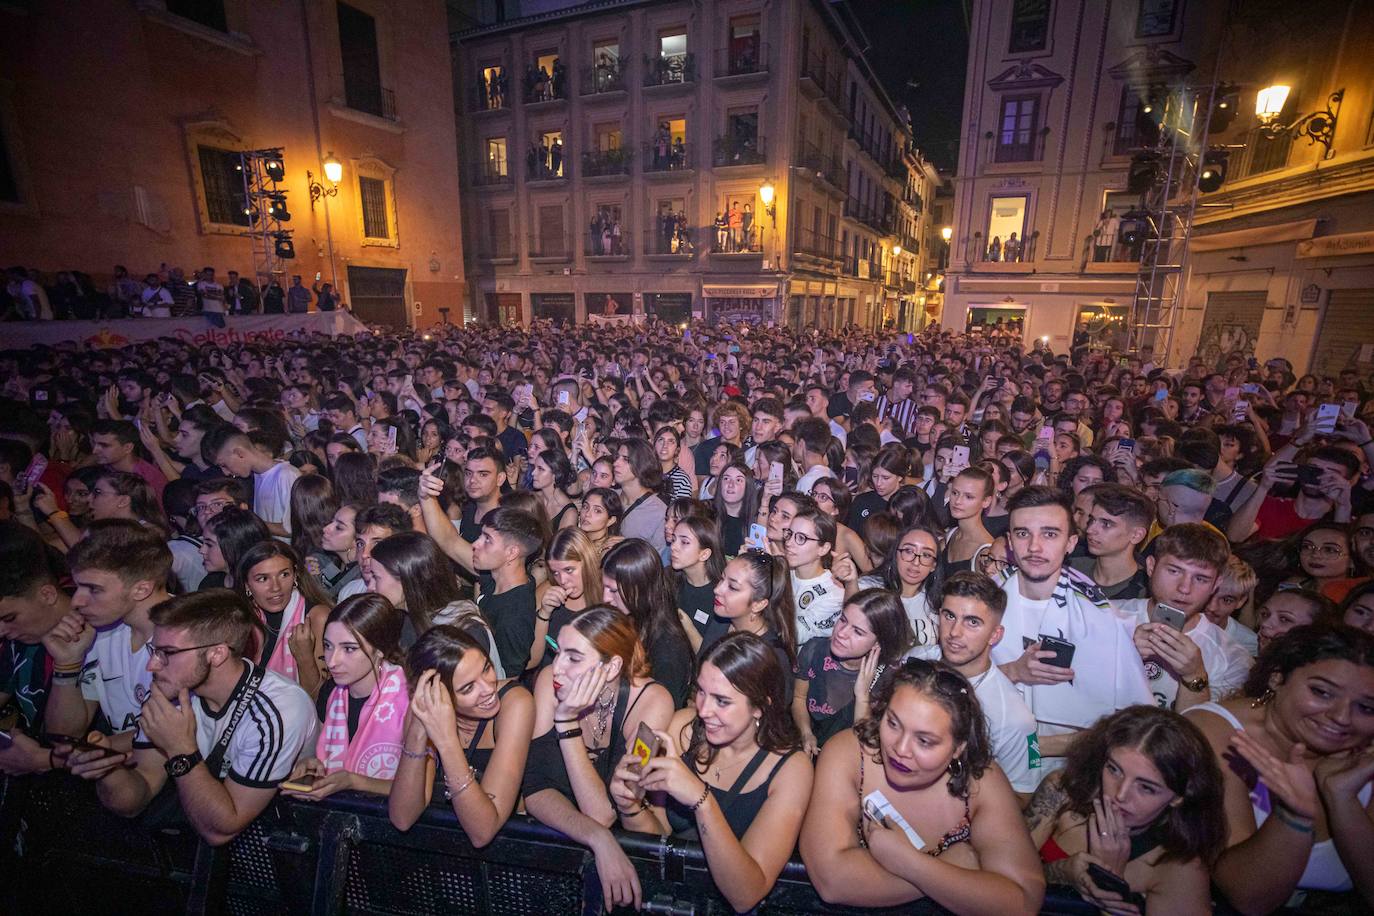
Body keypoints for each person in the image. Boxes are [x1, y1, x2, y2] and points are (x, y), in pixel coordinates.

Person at [67, 590, 316, 847]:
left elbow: (222, 830)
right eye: (154, 650)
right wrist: (107, 768)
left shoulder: (277, 710)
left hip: (282, 857)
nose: (151, 665)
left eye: (167, 653)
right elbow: (135, 799)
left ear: (216, 654)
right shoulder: (171, 695)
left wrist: (180, 750)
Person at [799, 658, 1046, 913]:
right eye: (893, 724)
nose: (900, 749)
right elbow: (832, 881)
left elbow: (1023, 902)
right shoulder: (849, 753)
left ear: (958, 748)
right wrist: (954, 868)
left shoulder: (981, 781)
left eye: (925, 741)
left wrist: (910, 863)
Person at [610, 632, 814, 912]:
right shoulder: (683, 731)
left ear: (760, 707)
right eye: (701, 692)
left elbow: (746, 894)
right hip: (669, 899)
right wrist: (630, 807)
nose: (704, 710)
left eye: (722, 701)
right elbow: (659, 835)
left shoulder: (790, 769)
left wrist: (702, 801)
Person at [1187, 624, 1374, 913]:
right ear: (1277, 678)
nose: (1342, 717)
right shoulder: (1215, 733)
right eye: (1322, 692)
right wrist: (1294, 815)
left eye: (1366, 708)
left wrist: (1342, 799)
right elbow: (1248, 897)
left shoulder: (1365, 758)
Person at [523, 608, 675, 912]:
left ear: (611, 666)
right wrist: (598, 839)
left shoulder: (651, 701)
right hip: (562, 844)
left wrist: (566, 724)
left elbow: (604, 813)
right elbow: (537, 792)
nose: (557, 668)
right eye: (557, 653)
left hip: (627, 864)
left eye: (574, 658)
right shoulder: (549, 684)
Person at [993, 486, 1152, 763]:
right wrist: (1012, 671)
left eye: (1050, 534)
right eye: (1022, 533)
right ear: (1009, 541)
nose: (1034, 547)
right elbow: (948, 690)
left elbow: (1135, 725)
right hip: (986, 760)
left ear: (1070, 543)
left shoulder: (1102, 618)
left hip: (1064, 769)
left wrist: (1033, 747)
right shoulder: (980, 602)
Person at [1025, 705, 1226, 914]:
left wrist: (1112, 884)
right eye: (1113, 770)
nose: (1121, 794)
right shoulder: (1063, 791)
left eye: (1146, 787)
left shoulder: (1179, 866)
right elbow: (1006, 880)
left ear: (1178, 798)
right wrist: (1061, 871)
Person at [389, 625, 535, 845]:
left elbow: (483, 831)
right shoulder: (424, 710)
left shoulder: (515, 703)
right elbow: (403, 818)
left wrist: (447, 742)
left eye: (486, 668)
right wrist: (418, 731)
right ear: (439, 694)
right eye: (468, 688)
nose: (488, 688)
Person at [907, 571, 1043, 800]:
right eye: (949, 616)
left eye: (972, 622)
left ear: (995, 635)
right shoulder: (914, 661)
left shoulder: (1014, 718)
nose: (955, 632)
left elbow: (1022, 797)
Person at [44, 522, 172, 748]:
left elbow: (173, 734)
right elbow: (64, 734)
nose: (76, 601)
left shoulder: (190, 638)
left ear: (141, 589)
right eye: (77, 587)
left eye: (93, 589)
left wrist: (84, 754)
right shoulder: (99, 631)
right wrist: (67, 664)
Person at [1117, 523, 1253, 712]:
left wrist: (1195, 675)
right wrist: (1121, 654)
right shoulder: (1106, 616)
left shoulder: (1232, 659)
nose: (1184, 588)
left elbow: (1199, 734)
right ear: (1151, 566)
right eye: (1174, 571)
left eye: (1200, 579)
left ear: (1216, 584)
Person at [285, 594, 410, 800]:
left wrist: (353, 781)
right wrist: (313, 765)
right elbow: (326, 756)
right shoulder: (331, 692)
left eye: (349, 649)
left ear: (380, 649)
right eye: (327, 646)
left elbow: (419, 790)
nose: (332, 661)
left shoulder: (409, 698)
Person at [793, 588, 912, 755]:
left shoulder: (890, 680)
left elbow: (868, 748)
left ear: (878, 643)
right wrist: (806, 733)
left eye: (857, 631)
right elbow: (799, 698)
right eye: (843, 620)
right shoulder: (814, 650)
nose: (841, 633)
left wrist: (862, 697)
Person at [368, 530, 503, 670]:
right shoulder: (399, 619)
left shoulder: (463, 629)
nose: (370, 587)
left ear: (406, 580)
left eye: (376, 577)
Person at [601, 538, 694, 706]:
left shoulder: (667, 650)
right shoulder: (629, 618)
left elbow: (659, 715)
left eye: (613, 590)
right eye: (604, 588)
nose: (605, 598)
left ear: (640, 588)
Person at [236, 540, 331, 695]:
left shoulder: (317, 617)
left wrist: (305, 658)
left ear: (295, 576)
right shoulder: (240, 619)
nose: (275, 588)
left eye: (284, 575)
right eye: (262, 579)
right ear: (247, 584)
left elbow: (320, 700)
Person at [699, 553, 798, 697]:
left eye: (732, 587)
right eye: (722, 579)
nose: (717, 589)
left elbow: (773, 714)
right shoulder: (720, 623)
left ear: (758, 604)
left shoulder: (772, 657)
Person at [206, 426, 301, 537]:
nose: (225, 473)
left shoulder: (286, 475)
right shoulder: (257, 476)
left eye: (224, 465)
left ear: (239, 453)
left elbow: (293, 529)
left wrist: (246, 519)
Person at [532, 526, 604, 670]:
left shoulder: (607, 595)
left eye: (569, 570)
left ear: (587, 562)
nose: (562, 580)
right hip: (546, 679)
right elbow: (530, 662)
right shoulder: (546, 592)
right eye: (555, 573)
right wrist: (544, 614)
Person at [1070, 483, 1152, 600]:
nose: (1090, 530)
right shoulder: (1070, 570)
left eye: (1106, 524)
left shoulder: (1145, 592)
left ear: (1136, 535)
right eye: (1092, 520)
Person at [880, 522, 945, 645]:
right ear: (896, 554)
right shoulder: (870, 588)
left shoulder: (938, 604)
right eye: (909, 551)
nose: (916, 562)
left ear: (933, 566)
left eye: (926, 555)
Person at [669, 513, 725, 647]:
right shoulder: (668, 580)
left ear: (704, 554)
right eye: (673, 540)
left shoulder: (720, 595)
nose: (673, 547)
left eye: (684, 542)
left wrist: (687, 626)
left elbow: (710, 656)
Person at [613, 438, 669, 552]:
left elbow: (656, 563)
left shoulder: (659, 513)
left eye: (626, 459)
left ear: (642, 464)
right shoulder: (609, 497)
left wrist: (626, 548)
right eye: (616, 458)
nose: (615, 463)